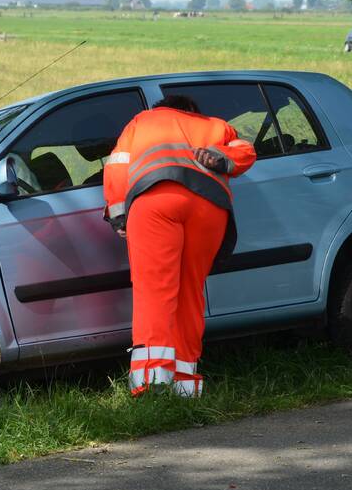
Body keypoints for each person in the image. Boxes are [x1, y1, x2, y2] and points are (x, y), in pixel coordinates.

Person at [103, 95, 256, 397]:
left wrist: (120, 217)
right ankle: (186, 385)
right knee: (190, 291)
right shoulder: (216, 126)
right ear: (193, 112)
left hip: (156, 200)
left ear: (163, 107)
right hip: (209, 207)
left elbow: (117, 167)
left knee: (155, 289)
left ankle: (151, 382)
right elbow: (245, 151)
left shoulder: (142, 121)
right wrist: (218, 158)